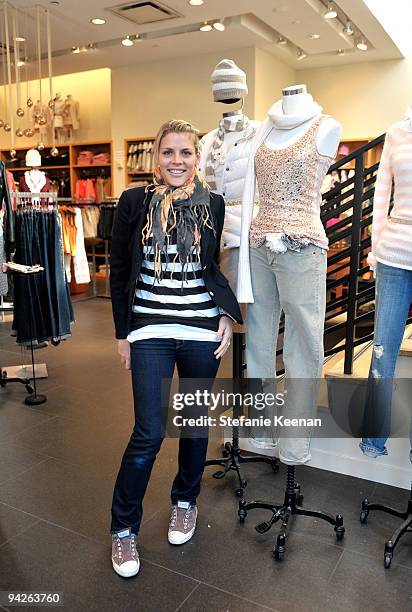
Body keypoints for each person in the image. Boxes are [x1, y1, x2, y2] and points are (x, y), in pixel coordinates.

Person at [109, 119, 242, 578]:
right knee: (147, 432)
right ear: (156, 157)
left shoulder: (215, 204)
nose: (177, 161)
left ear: (197, 158)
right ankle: (123, 529)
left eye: (186, 153)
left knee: (193, 426)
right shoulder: (133, 202)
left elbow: (213, 267)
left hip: (202, 330)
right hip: (149, 329)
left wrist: (224, 313)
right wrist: (122, 334)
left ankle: (185, 501)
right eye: (168, 152)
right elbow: (121, 267)